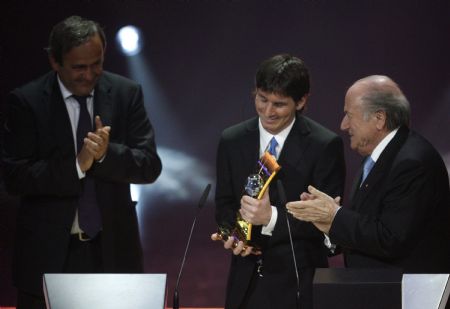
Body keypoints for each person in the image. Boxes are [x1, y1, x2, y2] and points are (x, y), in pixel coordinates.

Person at [1, 16, 162, 308]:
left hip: (113, 252)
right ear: (54, 61)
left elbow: (150, 165)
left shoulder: (127, 93)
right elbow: (14, 176)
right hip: (49, 257)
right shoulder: (27, 101)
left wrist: (105, 154)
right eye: (78, 67)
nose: (89, 75)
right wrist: (78, 165)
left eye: (96, 64)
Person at [211, 54, 346, 309]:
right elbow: (225, 204)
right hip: (245, 284)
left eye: (279, 104)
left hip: (298, 284)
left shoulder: (324, 146)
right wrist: (236, 235)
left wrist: (271, 218)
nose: (268, 111)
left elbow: (326, 223)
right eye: (262, 99)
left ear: (301, 101)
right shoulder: (232, 139)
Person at [287, 75, 450, 275]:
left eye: (349, 115)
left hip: (407, 295)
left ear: (379, 119)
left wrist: (334, 216)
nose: (343, 125)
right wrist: (328, 221)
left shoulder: (412, 162)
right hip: (378, 290)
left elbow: (390, 237)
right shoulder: (377, 158)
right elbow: (367, 223)